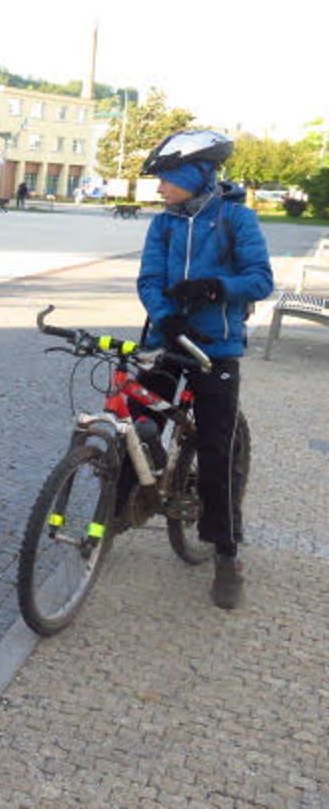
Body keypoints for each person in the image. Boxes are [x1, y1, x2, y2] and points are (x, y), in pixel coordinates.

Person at [136, 129, 272, 610]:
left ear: (194, 175)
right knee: (134, 419)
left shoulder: (236, 219)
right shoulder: (164, 224)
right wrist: (166, 316)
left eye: (167, 179)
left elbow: (260, 280)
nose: (159, 188)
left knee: (217, 449)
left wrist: (215, 286)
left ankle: (227, 552)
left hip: (217, 348)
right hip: (173, 340)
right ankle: (119, 509)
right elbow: (149, 279)